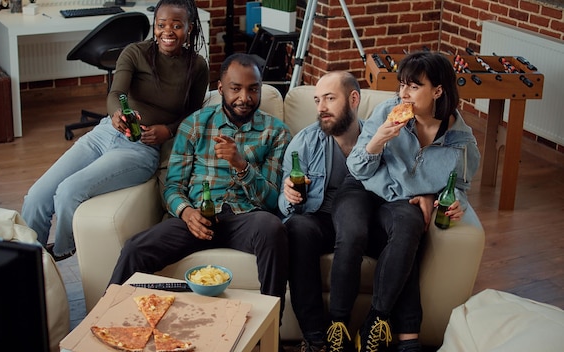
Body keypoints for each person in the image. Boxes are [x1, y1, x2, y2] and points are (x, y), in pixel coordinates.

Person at [21, 0, 209, 261]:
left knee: (68, 192)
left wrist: (167, 130)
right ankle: (27, 265)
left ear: (189, 28)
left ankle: (60, 252)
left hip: (140, 150)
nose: (168, 32)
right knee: (36, 197)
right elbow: (115, 94)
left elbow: (194, 115)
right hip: (104, 135)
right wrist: (115, 115)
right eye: (161, 24)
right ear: (154, 26)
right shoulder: (135, 52)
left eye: (177, 26)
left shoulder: (197, 66)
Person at [108, 53, 292, 318]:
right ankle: (111, 319)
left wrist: (241, 165)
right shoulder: (195, 124)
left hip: (246, 219)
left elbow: (273, 200)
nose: (245, 98)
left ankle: (269, 331)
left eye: (253, 89)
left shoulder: (276, 132)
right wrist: (186, 212)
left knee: (272, 228)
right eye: (236, 88)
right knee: (136, 248)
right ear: (220, 88)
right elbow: (172, 186)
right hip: (196, 219)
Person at [328, 51, 481, 352]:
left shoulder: (462, 143)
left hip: (401, 201)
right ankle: (338, 325)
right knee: (353, 232)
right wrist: (378, 140)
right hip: (361, 186)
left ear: (437, 91)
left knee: (411, 225)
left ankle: (376, 320)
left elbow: (459, 185)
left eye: (413, 86)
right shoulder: (388, 111)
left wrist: (449, 200)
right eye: (402, 85)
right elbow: (356, 168)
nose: (403, 94)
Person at [278, 71, 363, 352]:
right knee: (296, 228)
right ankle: (315, 339)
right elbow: (285, 198)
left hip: (362, 223)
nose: (321, 108)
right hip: (321, 220)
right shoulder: (306, 141)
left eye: (329, 98)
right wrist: (289, 194)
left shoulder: (374, 139)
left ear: (353, 99)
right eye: (317, 100)